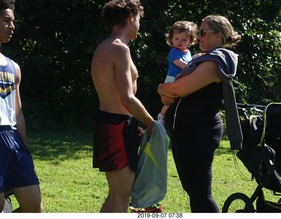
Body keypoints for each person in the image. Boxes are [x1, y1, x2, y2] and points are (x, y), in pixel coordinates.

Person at [157, 15, 242, 212]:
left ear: (218, 35)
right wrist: (166, 91)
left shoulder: (214, 62)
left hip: (198, 133)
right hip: (187, 132)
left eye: (203, 32)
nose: (198, 36)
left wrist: (161, 88)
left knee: (201, 194)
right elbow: (170, 95)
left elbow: (176, 90)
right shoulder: (203, 59)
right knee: (193, 190)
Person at [91, 0, 155, 213]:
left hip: (115, 124)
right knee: (121, 197)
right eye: (139, 19)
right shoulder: (119, 49)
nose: (139, 24)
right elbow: (127, 98)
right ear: (131, 17)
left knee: (116, 195)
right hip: (116, 127)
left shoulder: (106, 46)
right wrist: (151, 123)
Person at [0, 0, 42, 213]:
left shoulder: (13, 67)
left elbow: (18, 112)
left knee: (34, 207)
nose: (12, 26)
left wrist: (24, 150)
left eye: (13, 21)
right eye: (6, 20)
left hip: (13, 141)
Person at [157, 20, 198, 126]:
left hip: (182, 79)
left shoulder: (188, 52)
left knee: (181, 100)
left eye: (184, 40)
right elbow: (180, 64)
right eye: (177, 39)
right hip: (173, 79)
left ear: (190, 41)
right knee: (170, 99)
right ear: (171, 39)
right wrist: (194, 68)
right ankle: (161, 116)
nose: (180, 42)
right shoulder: (174, 51)